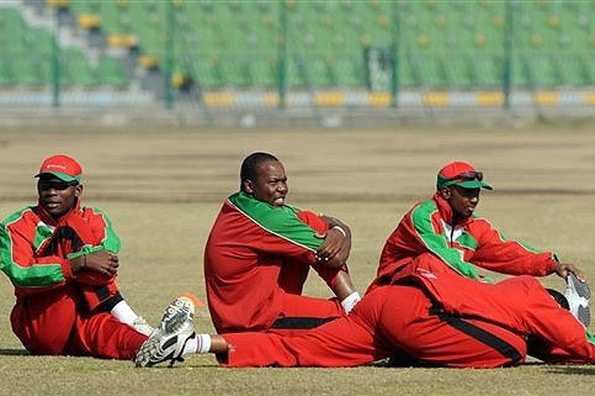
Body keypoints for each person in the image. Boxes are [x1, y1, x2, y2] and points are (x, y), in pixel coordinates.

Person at [136, 268, 595, 368]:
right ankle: (408, 356)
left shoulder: (500, 294)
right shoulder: (533, 294)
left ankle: (192, 344)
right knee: (512, 349)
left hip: (387, 302)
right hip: (420, 314)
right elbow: (570, 341)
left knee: (298, 349)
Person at [0, 154, 194, 364]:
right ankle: (134, 321)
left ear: (77, 190)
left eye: (60, 186)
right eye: (45, 186)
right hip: (41, 321)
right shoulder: (16, 225)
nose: (51, 193)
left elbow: (106, 258)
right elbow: (21, 273)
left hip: (84, 312)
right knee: (70, 228)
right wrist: (77, 264)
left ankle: (173, 342)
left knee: (132, 342)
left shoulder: (95, 218)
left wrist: (85, 262)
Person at [370, 160, 589, 324]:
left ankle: (560, 312)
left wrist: (552, 264)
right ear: (446, 192)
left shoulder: (474, 227)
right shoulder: (422, 216)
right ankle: (561, 309)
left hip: (440, 299)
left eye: (476, 192)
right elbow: (445, 260)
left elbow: (508, 251)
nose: (474, 198)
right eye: (466, 192)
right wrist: (485, 287)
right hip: (395, 296)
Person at [203, 152, 361, 334]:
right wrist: (342, 231)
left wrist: (340, 230)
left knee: (307, 220)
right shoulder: (264, 218)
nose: (282, 188)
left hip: (262, 306)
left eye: (284, 181)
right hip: (254, 319)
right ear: (249, 186)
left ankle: (352, 304)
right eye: (273, 183)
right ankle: (354, 307)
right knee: (354, 322)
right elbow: (335, 258)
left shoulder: (244, 204)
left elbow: (321, 223)